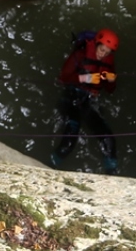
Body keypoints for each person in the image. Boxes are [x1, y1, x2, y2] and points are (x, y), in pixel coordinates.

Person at [51, 28, 119, 174]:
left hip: (90, 100)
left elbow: (110, 90)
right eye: (101, 49)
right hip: (71, 96)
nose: (103, 54)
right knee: (70, 137)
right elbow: (63, 78)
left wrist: (111, 81)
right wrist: (83, 78)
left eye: (107, 52)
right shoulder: (80, 56)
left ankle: (112, 173)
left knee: (108, 138)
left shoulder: (108, 64)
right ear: (95, 44)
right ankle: (51, 165)